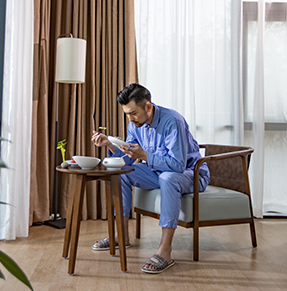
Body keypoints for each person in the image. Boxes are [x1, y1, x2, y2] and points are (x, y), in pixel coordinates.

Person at [90, 83, 210, 274]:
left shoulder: (173, 121)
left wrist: (145, 155)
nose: (130, 118)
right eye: (127, 114)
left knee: (169, 178)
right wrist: (110, 145)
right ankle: (121, 236)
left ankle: (165, 250)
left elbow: (178, 165)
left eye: (133, 113)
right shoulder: (135, 125)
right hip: (157, 171)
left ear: (148, 106)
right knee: (121, 173)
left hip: (191, 173)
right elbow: (127, 159)